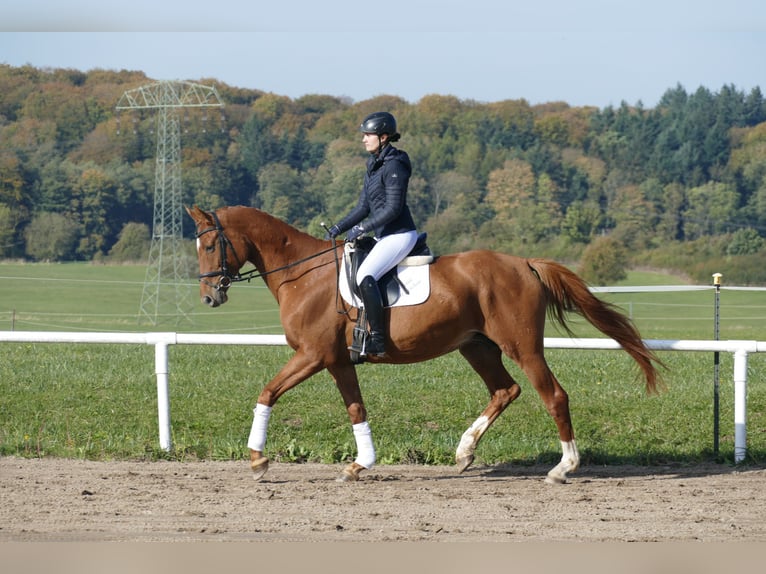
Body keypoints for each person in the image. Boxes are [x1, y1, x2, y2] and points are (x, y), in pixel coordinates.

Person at [326, 111, 419, 357]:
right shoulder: (374, 164)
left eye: (368, 135)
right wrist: (339, 227)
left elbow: (393, 208)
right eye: (364, 135)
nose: (364, 139)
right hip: (384, 236)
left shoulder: (395, 165)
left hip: (399, 234)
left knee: (365, 275)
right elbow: (363, 207)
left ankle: (378, 340)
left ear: (384, 137)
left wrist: (363, 228)